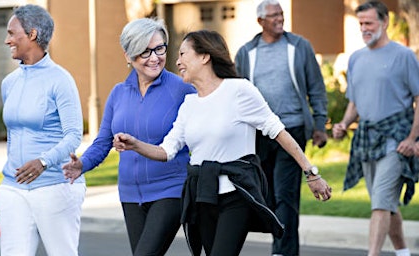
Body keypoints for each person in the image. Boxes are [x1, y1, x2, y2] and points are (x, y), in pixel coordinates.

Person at [112, 29, 332, 256]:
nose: (177, 62)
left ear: (204, 56)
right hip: (203, 195)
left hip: (236, 193)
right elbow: (167, 150)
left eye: (183, 54)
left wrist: (311, 172)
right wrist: (135, 144)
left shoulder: (239, 90)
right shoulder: (189, 104)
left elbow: (278, 131)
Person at [62, 18, 196, 255]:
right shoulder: (118, 93)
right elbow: (103, 142)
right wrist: (82, 164)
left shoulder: (182, 89)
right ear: (128, 55)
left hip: (170, 189)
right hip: (130, 193)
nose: (155, 57)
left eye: (159, 48)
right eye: (145, 51)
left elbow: (204, 128)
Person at [234, 1, 328, 254]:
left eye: (280, 14)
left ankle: (283, 251)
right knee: (269, 196)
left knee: (286, 194)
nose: (279, 19)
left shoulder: (299, 46)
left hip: (293, 129)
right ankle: (280, 244)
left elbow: (316, 87)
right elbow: (237, 94)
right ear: (260, 21)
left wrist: (319, 124)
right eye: (273, 16)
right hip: (259, 134)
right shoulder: (246, 52)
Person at [332, 1, 419, 256]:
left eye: (369, 23)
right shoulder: (356, 58)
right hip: (367, 139)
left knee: (381, 200)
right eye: (360, 24)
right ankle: (402, 251)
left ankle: (373, 254)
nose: (364, 28)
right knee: (385, 203)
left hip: (397, 139)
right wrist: (343, 124)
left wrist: (413, 138)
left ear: (385, 22)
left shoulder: (403, 56)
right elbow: (355, 103)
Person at [0, 4, 85, 256]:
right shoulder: (9, 83)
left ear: (32, 34)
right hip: (13, 187)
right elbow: (13, 134)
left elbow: (73, 136)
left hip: (54, 186)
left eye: (12, 33)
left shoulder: (60, 80)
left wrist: (43, 162)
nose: (7, 40)